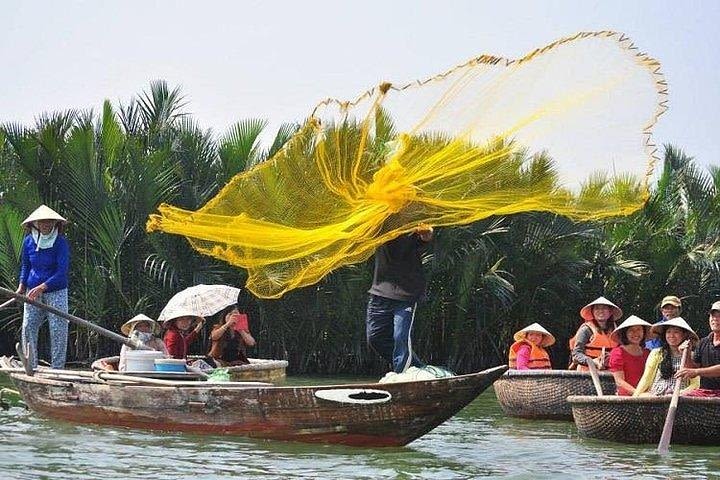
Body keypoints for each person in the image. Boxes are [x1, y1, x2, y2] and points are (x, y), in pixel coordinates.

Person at [366, 225, 433, 373]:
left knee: (400, 338)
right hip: (380, 291)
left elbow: (426, 236)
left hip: (406, 293)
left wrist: (425, 234)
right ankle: (419, 369)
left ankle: (400, 375)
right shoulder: (378, 220)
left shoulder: (411, 221)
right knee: (375, 338)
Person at [16, 205, 70, 369]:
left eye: (49, 222)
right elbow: (26, 266)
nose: (46, 225)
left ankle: (57, 369)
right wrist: (21, 287)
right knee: (28, 327)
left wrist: (43, 287)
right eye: (42, 222)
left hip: (56, 291)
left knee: (58, 329)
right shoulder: (28, 241)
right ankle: (30, 365)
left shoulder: (60, 243)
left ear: (54, 223)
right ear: (35, 224)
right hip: (32, 291)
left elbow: (62, 271)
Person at [633, 317, 699, 396]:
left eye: (676, 332)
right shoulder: (657, 353)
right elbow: (646, 379)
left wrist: (679, 394)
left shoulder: (691, 355)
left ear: (684, 335)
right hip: (656, 396)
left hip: (680, 397)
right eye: (668, 332)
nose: (672, 335)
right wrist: (635, 397)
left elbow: (695, 385)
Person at [675, 301, 720, 397]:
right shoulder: (703, 342)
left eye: (719, 316)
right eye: (713, 316)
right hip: (705, 392)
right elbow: (692, 370)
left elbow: (695, 371)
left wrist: (697, 371)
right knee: (680, 400)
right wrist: (686, 354)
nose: (715, 319)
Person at [570, 297, 622, 371]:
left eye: (604, 308)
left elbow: (621, 351)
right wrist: (593, 362)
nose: (601, 311)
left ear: (610, 312)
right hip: (587, 374)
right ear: (593, 312)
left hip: (610, 374)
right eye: (597, 308)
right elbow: (576, 354)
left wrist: (612, 357)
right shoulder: (586, 330)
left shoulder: (615, 331)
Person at [608, 315, 651, 395]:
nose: (636, 333)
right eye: (631, 330)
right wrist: (638, 394)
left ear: (643, 332)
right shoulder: (618, 352)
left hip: (647, 395)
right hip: (626, 399)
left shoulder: (648, 353)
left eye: (639, 329)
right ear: (625, 333)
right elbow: (619, 381)